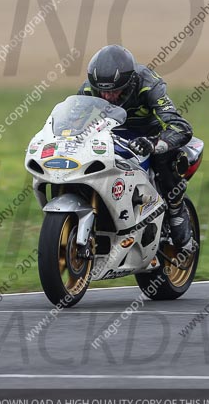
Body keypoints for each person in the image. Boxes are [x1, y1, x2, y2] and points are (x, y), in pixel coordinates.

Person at [77, 44, 196, 252]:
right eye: (103, 91)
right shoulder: (88, 89)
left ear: (130, 82)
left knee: (165, 159)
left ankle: (177, 211)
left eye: (115, 91)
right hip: (113, 136)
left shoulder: (148, 84)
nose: (107, 97)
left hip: (150, 136)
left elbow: (181, 127)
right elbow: (74, 122)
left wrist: (155, 143)